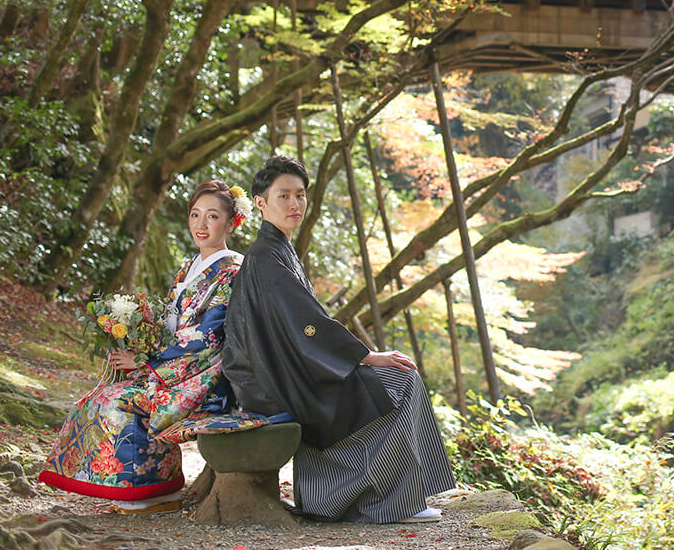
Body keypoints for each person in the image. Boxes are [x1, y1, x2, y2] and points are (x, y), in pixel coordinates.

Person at [222, 155, 456, 524]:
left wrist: (357, 357)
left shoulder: (276, 249)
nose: (295, 204)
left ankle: (343, 498)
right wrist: (365, 356)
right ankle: (390, 502)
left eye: (300, 195)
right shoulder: (267, 257)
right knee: (402, 381)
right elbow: (308, 325)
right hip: (279, 377)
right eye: (283, 196)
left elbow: (304, 324)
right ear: (260, 202)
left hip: (284, 368)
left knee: (395, 382)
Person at [39, 180, 251, 513]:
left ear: (231, 222)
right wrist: (130, 325)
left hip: (201, 371)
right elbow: (169, 318)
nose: (201, 224)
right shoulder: (189, 267)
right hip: (170, 363)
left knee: (118, 402)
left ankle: (151, 490)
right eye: (195, 215)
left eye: (212, 216)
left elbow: (209, 334)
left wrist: (144, 359)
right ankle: (150, 485)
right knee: (94, 399)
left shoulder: (231, 271)